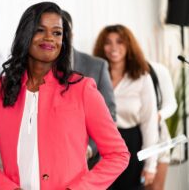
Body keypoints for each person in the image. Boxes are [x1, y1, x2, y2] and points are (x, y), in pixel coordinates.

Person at [0, 2, 130, 190]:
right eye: (40, 30)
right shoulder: (0, 89)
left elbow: (118, 154)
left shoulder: (82, 89)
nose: (49, 38)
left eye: (57, 33)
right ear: (25, 34)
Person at [93, 24, 159, 190]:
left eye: (120, 42)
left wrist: (150, 165)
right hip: (100, 145)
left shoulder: (142, 78)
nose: (113, 47)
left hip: (132, 145)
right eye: (108, 42)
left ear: (129, 45)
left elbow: (149, 123)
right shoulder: (93, 76)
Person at [62, 10, 116, 169]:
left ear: (71, 33)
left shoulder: (97, 66)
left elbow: (109, 113)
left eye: (63, 31)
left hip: (88, 162)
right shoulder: (39, 68)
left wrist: (90, 148)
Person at [146, 61, 177, 190]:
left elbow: (171, 104)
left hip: (158, 140)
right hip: (129, 142)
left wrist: (158, 116)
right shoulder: (109, 70)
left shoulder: (157, 70)